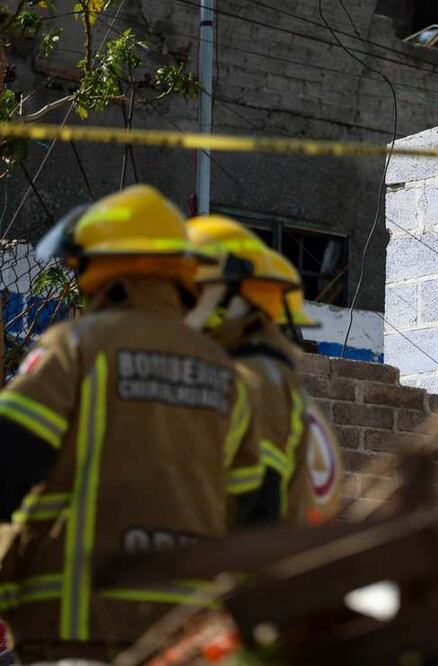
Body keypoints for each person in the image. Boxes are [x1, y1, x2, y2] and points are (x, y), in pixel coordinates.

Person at [0, 186, 264, 662]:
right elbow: (254, 515)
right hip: (187, 640)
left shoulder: (77, 346)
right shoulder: (231, 378)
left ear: (105, 267)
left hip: (74, 626)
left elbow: (9, 459)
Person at [186, 215, 343, 527]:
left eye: (187, 292)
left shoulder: (255, 379)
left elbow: (259, 506)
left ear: (227, 298)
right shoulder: (266, 374)